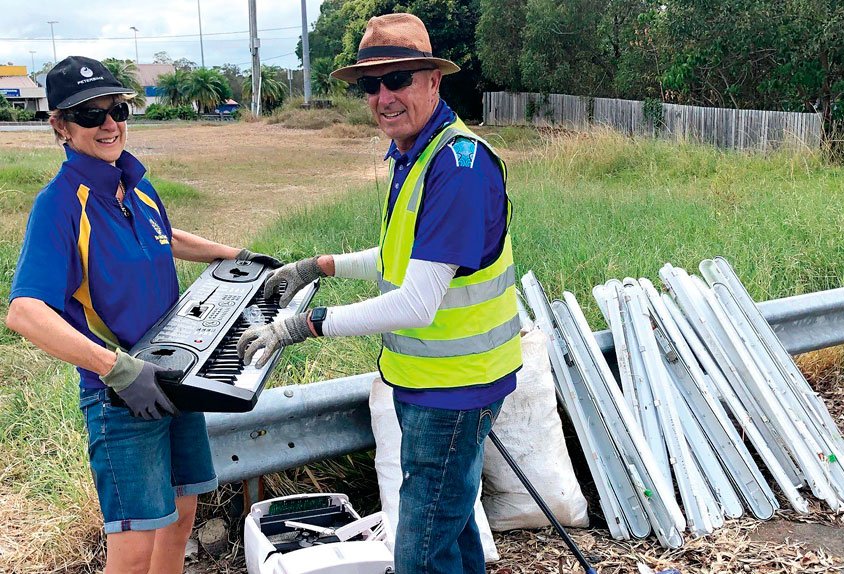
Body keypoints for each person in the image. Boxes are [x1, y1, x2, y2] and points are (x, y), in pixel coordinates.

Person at [237, 13, 523, 574]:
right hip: (435, 383)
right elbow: (404, 259)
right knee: (454, 523)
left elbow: (418, 301)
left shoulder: (457, 167)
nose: (384, 96)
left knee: (420, 554)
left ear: (433, 81)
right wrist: (318, 265)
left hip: (454, 389)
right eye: (372, 84)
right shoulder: (417, 152)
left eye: (399, 79)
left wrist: (302, 325)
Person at [5, 56, 278, 574]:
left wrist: (232, 255)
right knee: (133, 547)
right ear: (59, 126)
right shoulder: (61, 204)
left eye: (117, 108)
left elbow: (165, 238)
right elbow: (24, 311)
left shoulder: (133, 185)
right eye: (89, 114)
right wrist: (118, 369)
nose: (109, 124)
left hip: (177, 376)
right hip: (121, 394)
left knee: (181, 513)